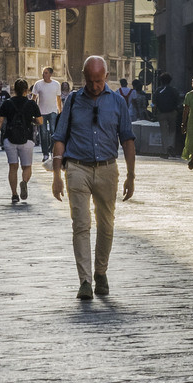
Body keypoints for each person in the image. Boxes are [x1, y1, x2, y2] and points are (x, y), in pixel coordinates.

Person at [51, 54, 136, 300]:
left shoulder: (118, 102)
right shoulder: (74, 101)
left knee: (106, 224)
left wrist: (131, 175)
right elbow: (59, 138)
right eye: (90, 81)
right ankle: (85, 281)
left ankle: (101, 272)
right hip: (77, 167)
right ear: (84, 78)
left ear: (106, 77)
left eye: (98, 81)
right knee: (81, 224)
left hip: (108, 168)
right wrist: (57, 175)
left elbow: (128, 139)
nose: (94, 86)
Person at [0, 77, 42, 205]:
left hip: (10, 138)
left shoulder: (7, 103)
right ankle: (24, 182)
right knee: (26, 166)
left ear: (14, 89)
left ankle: (14, 194)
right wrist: (31, 120)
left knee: (13, 167)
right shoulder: (31, 104)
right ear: (26, 90)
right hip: (27, 138)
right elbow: (40, 121)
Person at [153, 70, 181, 157]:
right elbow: (178, 102)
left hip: (161, 113)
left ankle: (165, 151)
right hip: (172, 112)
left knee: (164, 132)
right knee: (172, 131)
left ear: (161, 81)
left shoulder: (158, 91)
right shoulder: (174, 90)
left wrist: (154, 112)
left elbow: (154, 103)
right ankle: (171, 146)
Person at [34, 64, 61, 150]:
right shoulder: (38, 84)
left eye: (46, 73)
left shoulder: (56, 84)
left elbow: (58, 98)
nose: (44, 75)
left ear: (50, 74)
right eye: (43, 73)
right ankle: (45, 152)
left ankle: (52, 148)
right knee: (43, 132)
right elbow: (33, 98)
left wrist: (60, 111)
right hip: (41, 112)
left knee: (53, 130)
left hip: (53, 110)